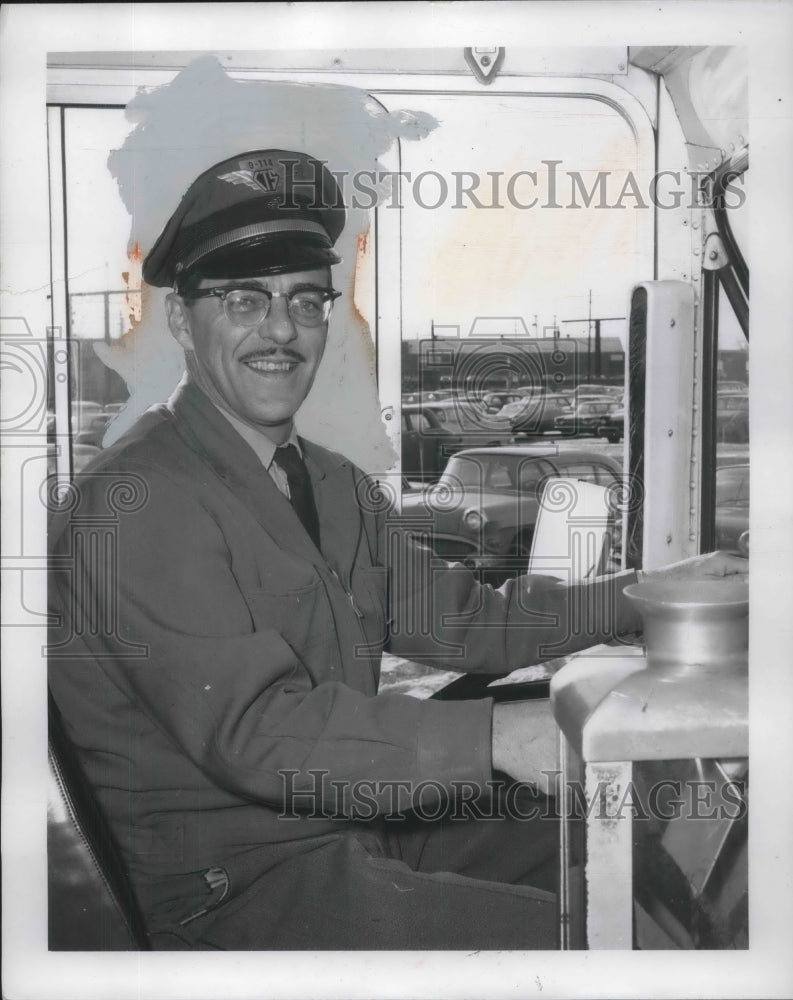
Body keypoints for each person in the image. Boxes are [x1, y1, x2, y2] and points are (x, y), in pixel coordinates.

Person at [48, 148, 746, 951]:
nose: (281, 330)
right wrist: (496, 738)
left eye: (305, 301)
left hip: (348, 823)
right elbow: (259, 733)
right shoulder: (140, 501)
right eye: (244, 300)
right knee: (602, 943)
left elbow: (471, 624)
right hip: (236, 889)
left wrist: (655, 588)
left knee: (631, 862)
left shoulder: (329, 485)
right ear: (181, 318)